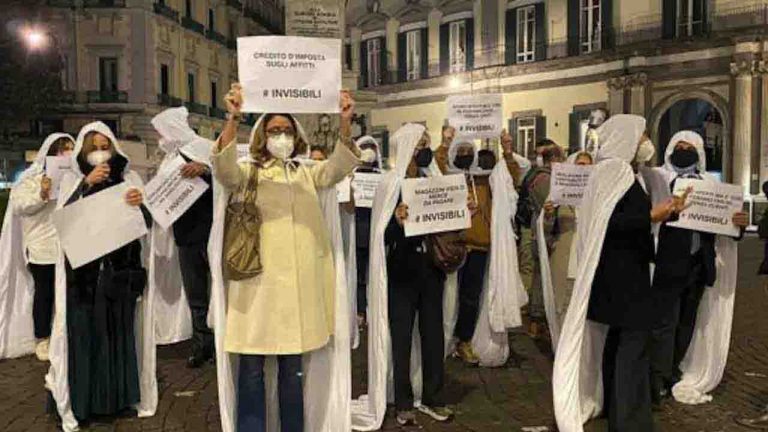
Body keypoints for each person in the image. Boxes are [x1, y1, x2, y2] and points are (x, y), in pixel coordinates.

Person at [209, 83, 360, 432]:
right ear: (262, 136)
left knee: (292, 374)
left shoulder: (305, 172)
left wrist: (344, 121)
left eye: (287, 130)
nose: (281, 137)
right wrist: (232, 117)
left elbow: (337, 168)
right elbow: (224, 169)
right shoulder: (247, 171)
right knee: (251, 371)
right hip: (255, 289)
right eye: (275, 130)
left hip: (297, 295)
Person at [552, 114, 685, 432]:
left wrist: (666, 213)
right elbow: (611, 223)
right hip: (623, 276)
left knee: (619, 344)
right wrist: (653, 215)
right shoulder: (616, 171)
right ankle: (630, 421)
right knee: (632, 347)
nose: (645, 143)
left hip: (618, 274)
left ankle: (620, 412)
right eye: (642, 136)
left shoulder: (615, 171)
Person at [47, 121, 157, 431]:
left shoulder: (129, 177)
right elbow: (63, 221)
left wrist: (139, 205)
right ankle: (84, 403)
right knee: (85, 337)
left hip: (119, 273)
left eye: (104, 147)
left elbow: (147, 223)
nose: (99, 153)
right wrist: (85, 185)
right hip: (82, 278)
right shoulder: (72, 179)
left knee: (117, 334)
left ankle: (118, 400)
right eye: (93, 148)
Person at [352, 123, 462, 429]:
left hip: (432, 271)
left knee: (433, 336)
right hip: (401, 273)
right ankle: (403, 401)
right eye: (420, 145)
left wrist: (460, 210)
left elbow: (447, 219)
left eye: (426, 144)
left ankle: (433, 397)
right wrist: (396, 223)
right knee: (401, 339)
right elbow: (379, 234)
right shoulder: (390, 184)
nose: (424, 150)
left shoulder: (434, 181)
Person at [646, 131, 746, 406]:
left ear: (699, 152)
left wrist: (738, 223)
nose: (683, 150)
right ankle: (656, 378)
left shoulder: (711, 185)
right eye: (678, 146)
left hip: (699, 264)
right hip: (667, 262)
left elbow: (725, 224)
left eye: (689, 147)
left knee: (686, 323)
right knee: (664, 323)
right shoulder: (658, 179)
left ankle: (672, 370)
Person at [445, 137, 522, 365]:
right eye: (460, 151)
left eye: (469, 150)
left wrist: (507, 151)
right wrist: (445, 142)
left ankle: (464, 340)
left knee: (470, 297)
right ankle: (445, 339)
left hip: (478, 246)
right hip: (452, 246)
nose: (465, 154)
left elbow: (510, 178)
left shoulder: (485, 179)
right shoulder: (447, 178)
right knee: (448, 298)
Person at [150, 107, 215, 366]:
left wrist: (205, 170)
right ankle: (202, 345)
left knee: (219, 290)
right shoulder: (169, 159)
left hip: (212, 230)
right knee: (196, 295)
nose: (160, 138)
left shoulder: (206, 148)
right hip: (185, 234)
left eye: (162, 132)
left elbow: (228, 178)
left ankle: (222, 345)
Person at [0, 134, 74, 361]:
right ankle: (42, 338)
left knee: (69, 293)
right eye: (64, 149)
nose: (69, 154)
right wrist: (42, 194)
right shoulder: (30, 180)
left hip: (69, 245)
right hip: (42, 248)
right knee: (45, 293)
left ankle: (65, 336)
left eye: (72, 149)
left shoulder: (74, 179)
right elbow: (20, 206)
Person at [537, 151, 593, 348]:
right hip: (565, 262)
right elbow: (545, 232)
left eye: (588, 165)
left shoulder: (597, 197)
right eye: (580, 165)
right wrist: (548, 215)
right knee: (562, 309)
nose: (583, 169)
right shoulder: (559, 195)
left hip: (588, 264)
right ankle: (561, 350)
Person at [525, 140, 565, 339]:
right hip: (544, 233)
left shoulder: (541, 176)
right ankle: (536, 319)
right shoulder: (544, 179)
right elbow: (549, 205)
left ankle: (538, 319)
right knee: (541, 276)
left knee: (541, 275)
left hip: (543, 231)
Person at [351, 135, 383, 326]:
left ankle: (375, 309)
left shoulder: (382, 176)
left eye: (372, 147)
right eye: (364, 147)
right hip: (357, 234)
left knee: (375, 275)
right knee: (359, 275)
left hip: (376, 234)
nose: (368, 151)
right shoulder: (351, 175)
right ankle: (360, 310)